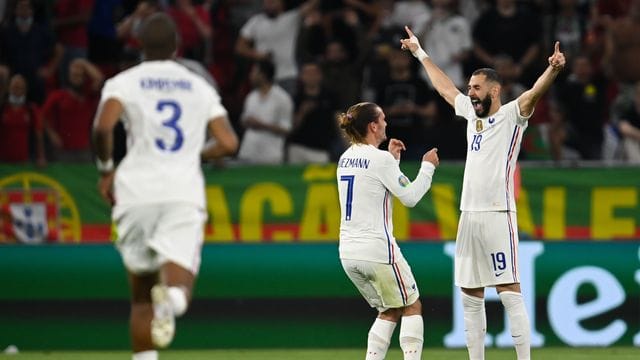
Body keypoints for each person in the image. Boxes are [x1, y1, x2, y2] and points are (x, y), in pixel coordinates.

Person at [401, 26, 565, 360]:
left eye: (477, 88)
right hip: (469, 215)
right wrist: (420, 53)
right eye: (470, 88)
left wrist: (553, 68)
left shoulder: (511, 117)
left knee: (508, 292)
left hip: (497, 213)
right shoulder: (469, 117)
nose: (470, 93)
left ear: (495, 89)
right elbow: (446, 89)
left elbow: (533, 94)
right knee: (470, 294)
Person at [92, 13, 239, 360]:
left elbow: (102, 128)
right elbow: (228, 142)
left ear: (139, 45)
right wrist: (196, 153)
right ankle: (172, 301)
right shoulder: (197, 86)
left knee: (141, 297)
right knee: (177, 289)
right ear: (176, 47)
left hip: (133, 192)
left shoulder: (123, 82)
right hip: (179, 192)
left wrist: (105, 169)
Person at [336, 102, 439, 360]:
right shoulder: (380, 160)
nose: (386, 124)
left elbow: (372, 181)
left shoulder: (345, 157)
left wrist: (393, 160)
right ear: (373, 125)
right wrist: (428, 167)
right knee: (412, 305)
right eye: (382, 119)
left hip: (348, 253)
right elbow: (411, 197)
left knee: (389, 310)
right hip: (377, 250)